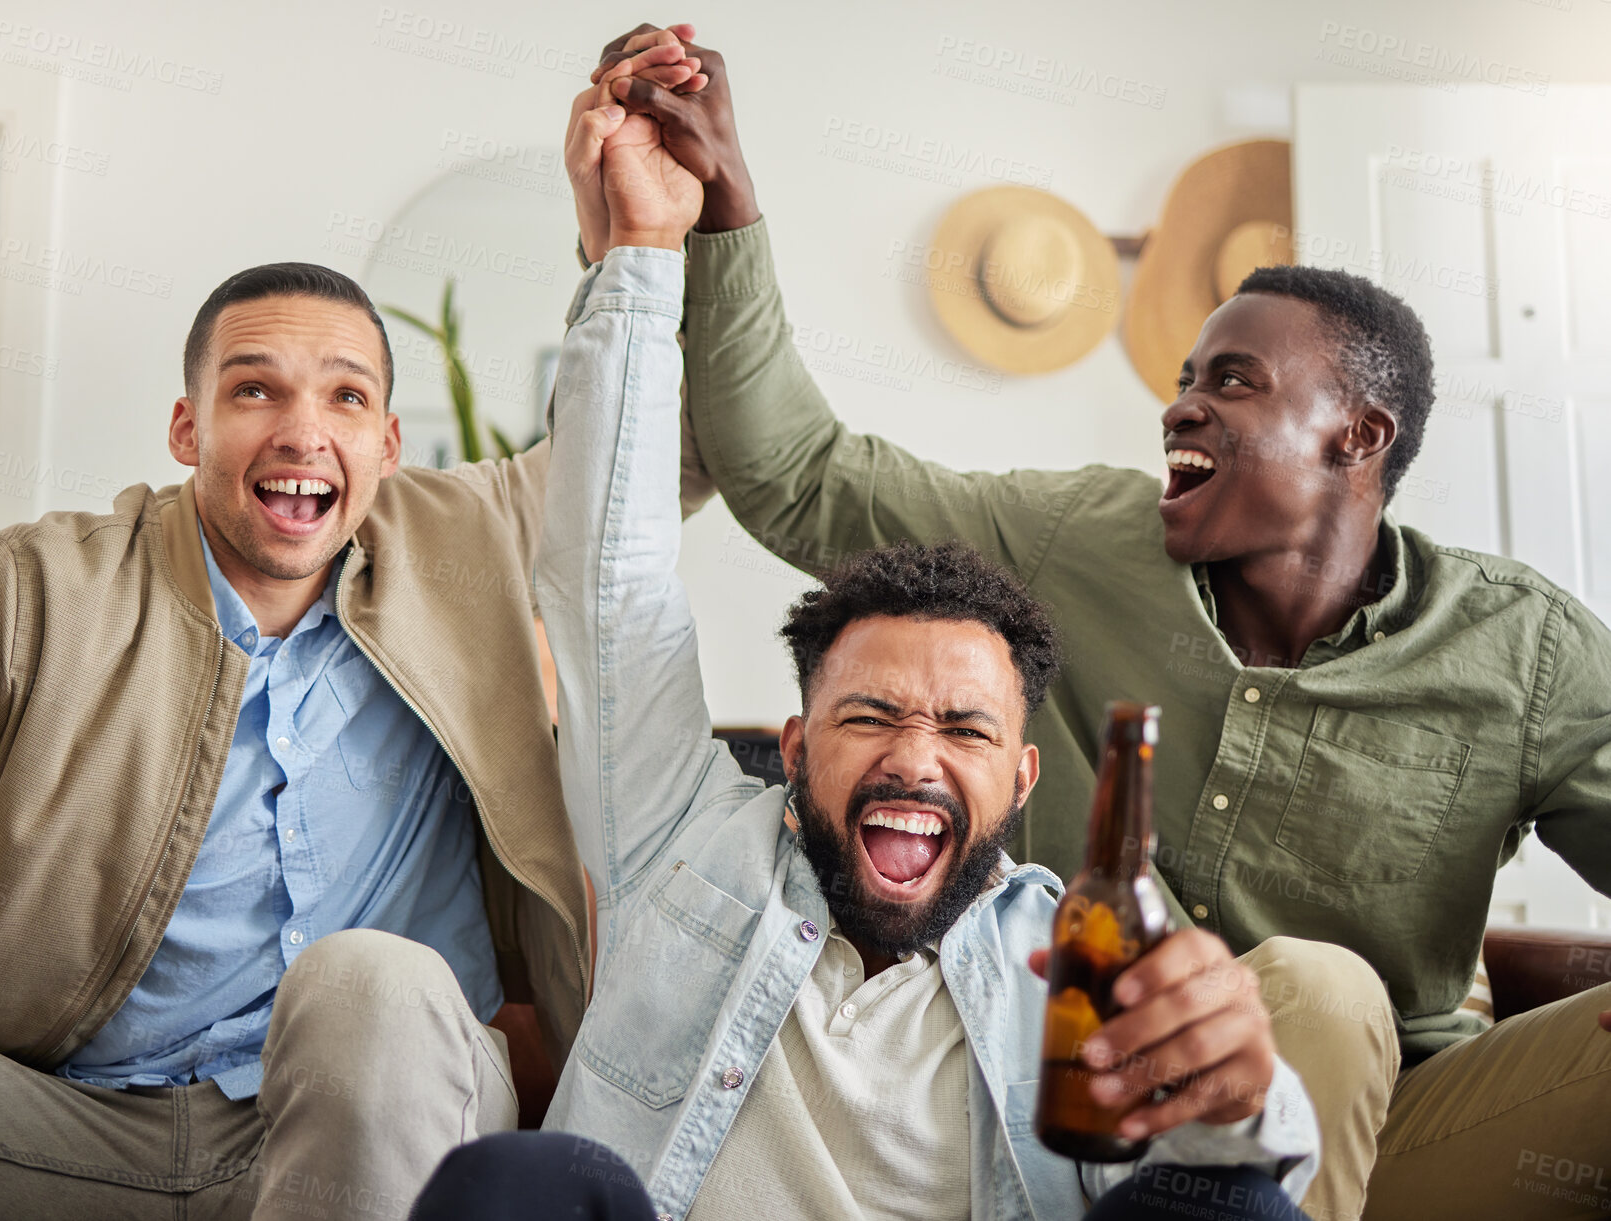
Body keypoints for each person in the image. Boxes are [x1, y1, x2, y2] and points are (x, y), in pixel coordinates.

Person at [587, 24, 1611, 1221]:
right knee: (1316, 989)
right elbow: (801, 477)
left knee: (1329, 997)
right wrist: (722, 201)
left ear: (1358, 437)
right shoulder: (1075, 538)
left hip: (1412, 1131)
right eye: (1183, 375)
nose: (1178, 403)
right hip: (1119, 1133)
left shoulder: (1522, 650)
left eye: (1231, 381)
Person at [411, 71, 1321, 1221]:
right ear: (794, 748)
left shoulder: (1076, 955)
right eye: (869, 716)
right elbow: (611, 581)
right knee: (520, 1179)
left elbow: (1209, 1154)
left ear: (1020, 774)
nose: (912, 756)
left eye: (962, 727)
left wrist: (1242, 1101)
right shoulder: (683, 843)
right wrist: (639, 255)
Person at [0, 41, 693, 1217]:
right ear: (186, 427)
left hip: (386, 1117)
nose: (304, 430)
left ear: (390, 444)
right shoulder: (40, 585)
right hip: (82, 1128)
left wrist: (633, 241)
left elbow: (672, 452)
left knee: (362, 981)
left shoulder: (468, 531)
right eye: (254, 389)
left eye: (347, 396)